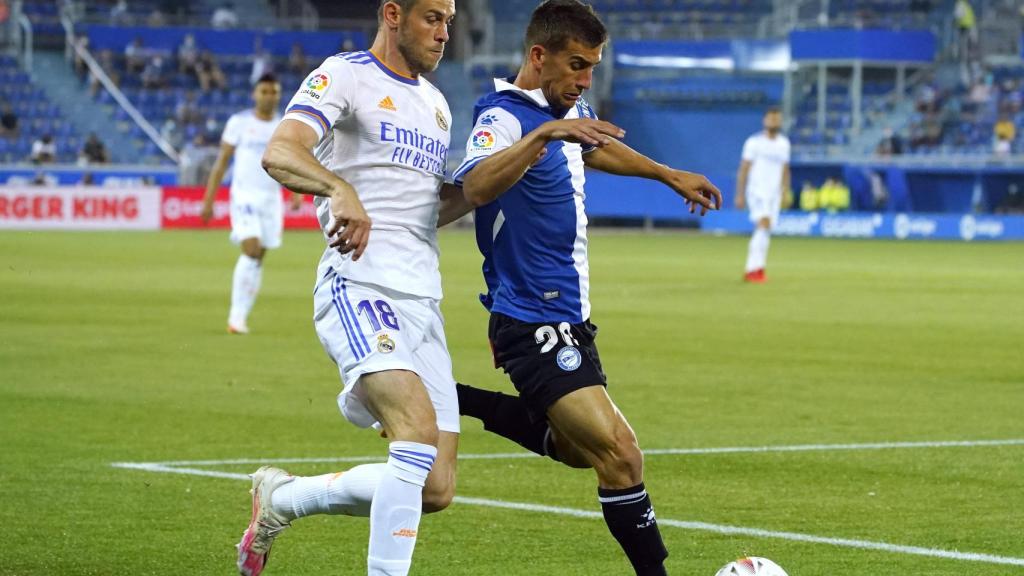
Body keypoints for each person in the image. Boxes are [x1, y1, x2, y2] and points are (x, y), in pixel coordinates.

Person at [450, 2, 720, 574]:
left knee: (576, 449)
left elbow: (596, 145)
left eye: (592, 68)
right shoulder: (503, 117)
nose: (584, 80)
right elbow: (475, 185)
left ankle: (458, 399)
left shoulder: (562, 109)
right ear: (538, 56)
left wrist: (668, 175)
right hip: (531, 320)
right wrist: (547, 131)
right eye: (576, 65)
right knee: (621, 454)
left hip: (570, 316)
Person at [233, 0, 467, 574]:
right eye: (431, 19)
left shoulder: (437, 105)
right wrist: (338, 188)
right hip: (359, 285)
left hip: (423, 301)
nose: (443, 35)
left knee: (433, 486)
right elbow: (280, 151)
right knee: (413, 437)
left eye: (449, 22)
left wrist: (497, 180)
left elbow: (422, 210)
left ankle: (283, 499)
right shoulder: (345, 74)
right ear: (393, 14)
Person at [200, 74, 296, 334]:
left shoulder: (283, 126)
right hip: (244, 196)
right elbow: (221, 164)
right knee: (251, 249)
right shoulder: (239, 123)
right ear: (255, 94)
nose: (268, 96)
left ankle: (240, 317)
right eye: (264, 91)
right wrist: (208, 200)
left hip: (271, 199)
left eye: (273, 92)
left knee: (258, 257)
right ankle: (236, 317)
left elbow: (293, 161)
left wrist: (297, 194)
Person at [735, 108, 790, 283]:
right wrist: (740, 194)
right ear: (764, 121)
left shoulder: (784, 143)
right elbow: (744, 168)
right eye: (771, 118)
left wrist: (785, 191)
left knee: (765, 229)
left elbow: (785, 170)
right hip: (757, 191)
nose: (774, 122)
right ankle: (753, 269)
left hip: (774, 194)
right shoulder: (754, 142)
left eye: (777, 119)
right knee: (763, 224)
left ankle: (757, 268)